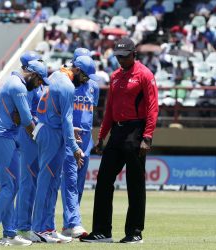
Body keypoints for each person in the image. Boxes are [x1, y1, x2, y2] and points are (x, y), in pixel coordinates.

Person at [80, 37, 159, 244]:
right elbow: (109, 111)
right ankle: (102, 231)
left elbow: (152, 107)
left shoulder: (145, 75)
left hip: (136, 131)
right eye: (118, 57)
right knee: (104, 179)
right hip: (117, 131)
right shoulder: (115, 76)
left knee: (135, 183)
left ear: (134, 54)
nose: (121, 61)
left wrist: (147, 136)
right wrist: (101, 137)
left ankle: (134, 232)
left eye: (124, 57)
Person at [0, 60, 50, 246]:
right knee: (11, 187)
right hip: (3, 137)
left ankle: (9, 233)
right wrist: (41, 139)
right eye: (40, 80)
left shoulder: (12, 81)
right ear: (33, 75)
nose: (40, 85)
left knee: (9, 187)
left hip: (1, 136)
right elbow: (25, 119)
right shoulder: (19, 86)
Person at [31, 55, 98, 243]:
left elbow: (58, 114)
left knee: (51, 182)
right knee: (47, 182)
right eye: (84, 77)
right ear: (76, 70)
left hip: (48, 129)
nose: (84, 82)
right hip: (52, 133)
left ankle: (48, 227)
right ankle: (39, 228)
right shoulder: (68, 86)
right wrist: (75, 147)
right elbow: (67, 119)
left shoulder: (54, 76)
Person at [60, 48, 100, 238]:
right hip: (69, 137)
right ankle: (75, 223)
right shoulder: (65, 82)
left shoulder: (93, 85)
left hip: (86, 139)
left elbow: (91, 111)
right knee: (70, 181)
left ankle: (68, 224)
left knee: (79, 184)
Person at [15, 51, 44, 242]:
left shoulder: (34, 85)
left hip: (34, 135)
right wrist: (37, 133)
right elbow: (25, 118)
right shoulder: (27, 87)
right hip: (29, 136)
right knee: (27, 183)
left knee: (32, 183)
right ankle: (22, 227)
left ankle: (28, 225)